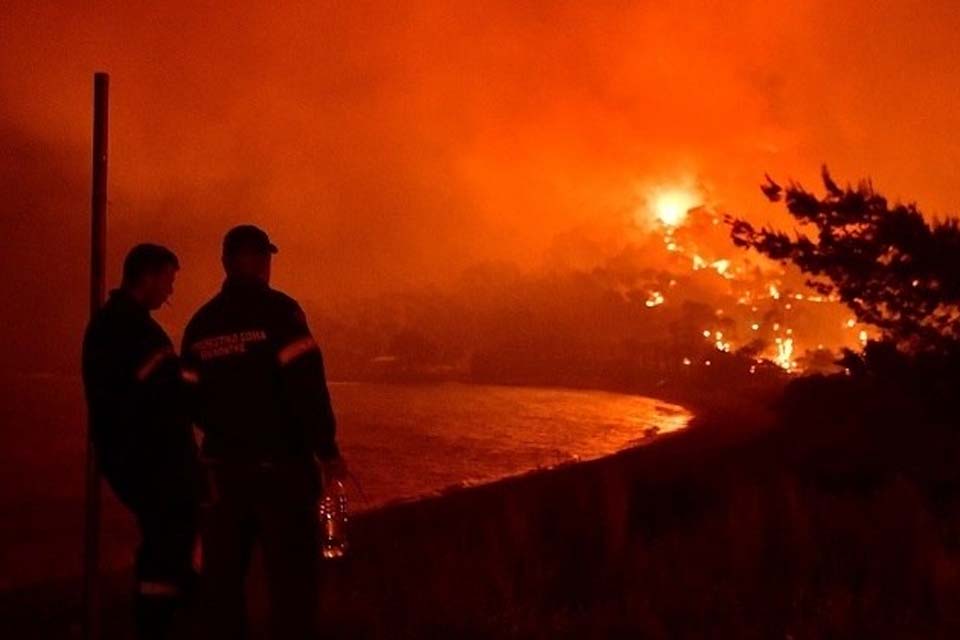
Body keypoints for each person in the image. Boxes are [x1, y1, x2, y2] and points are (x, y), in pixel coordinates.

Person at [181, 224, 346, 639]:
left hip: (223, 473)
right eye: (265, 257)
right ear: (257, 261)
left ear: (225, 263)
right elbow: (307, 384)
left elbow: (188, 402)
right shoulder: (280, 313)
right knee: (291, 586)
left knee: (223, 589)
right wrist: (326, 450)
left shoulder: (201, 324)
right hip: (280, 471)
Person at [81, 244, 200, 640]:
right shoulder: (135, 331)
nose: (169, 291)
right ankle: (160, 625)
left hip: (131, 459)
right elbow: (169, 396)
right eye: (168, 280)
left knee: (164, 546)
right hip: (155, 463)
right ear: (147, 276)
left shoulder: (106, 326)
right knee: (166, 551)